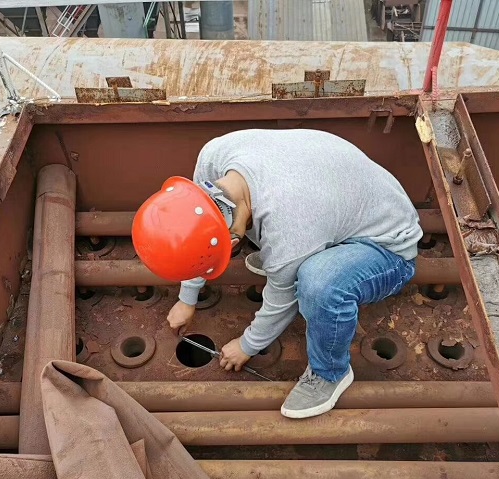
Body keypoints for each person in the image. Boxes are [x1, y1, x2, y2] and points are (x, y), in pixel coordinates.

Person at [132, 129, 422, 419]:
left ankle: (330, 374)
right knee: (288, 253)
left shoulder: (291, 223)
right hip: (336, 206)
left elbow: (281, 300)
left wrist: (248, 345)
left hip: (386, 246)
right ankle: (288, 260)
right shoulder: (214, 158)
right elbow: (192, 231)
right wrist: (187, 298)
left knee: (317, 283)